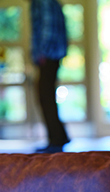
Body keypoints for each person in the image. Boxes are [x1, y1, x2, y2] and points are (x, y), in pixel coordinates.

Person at [28, 0, 70, 153]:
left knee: (44, 96)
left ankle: (57, 140)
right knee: (46, 96)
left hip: (49, 54)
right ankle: (59, 137)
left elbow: (47, 26)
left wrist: (42, 52)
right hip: (51, 53)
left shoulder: (43, 1)